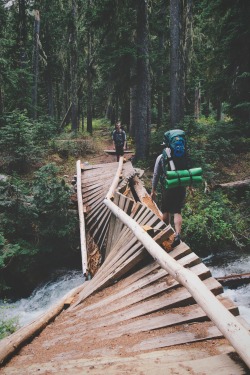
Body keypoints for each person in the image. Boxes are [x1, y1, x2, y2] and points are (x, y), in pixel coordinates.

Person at [151, 130, 189, 248]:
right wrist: (190, 186)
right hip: (181, 185)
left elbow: (156, 175)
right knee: (177, 211)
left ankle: (166, 233)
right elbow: (188, 170)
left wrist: (153, 190)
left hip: (167, 187)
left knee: (166, 210)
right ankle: (177, 234)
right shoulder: (184, 155)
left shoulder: (161, 157)